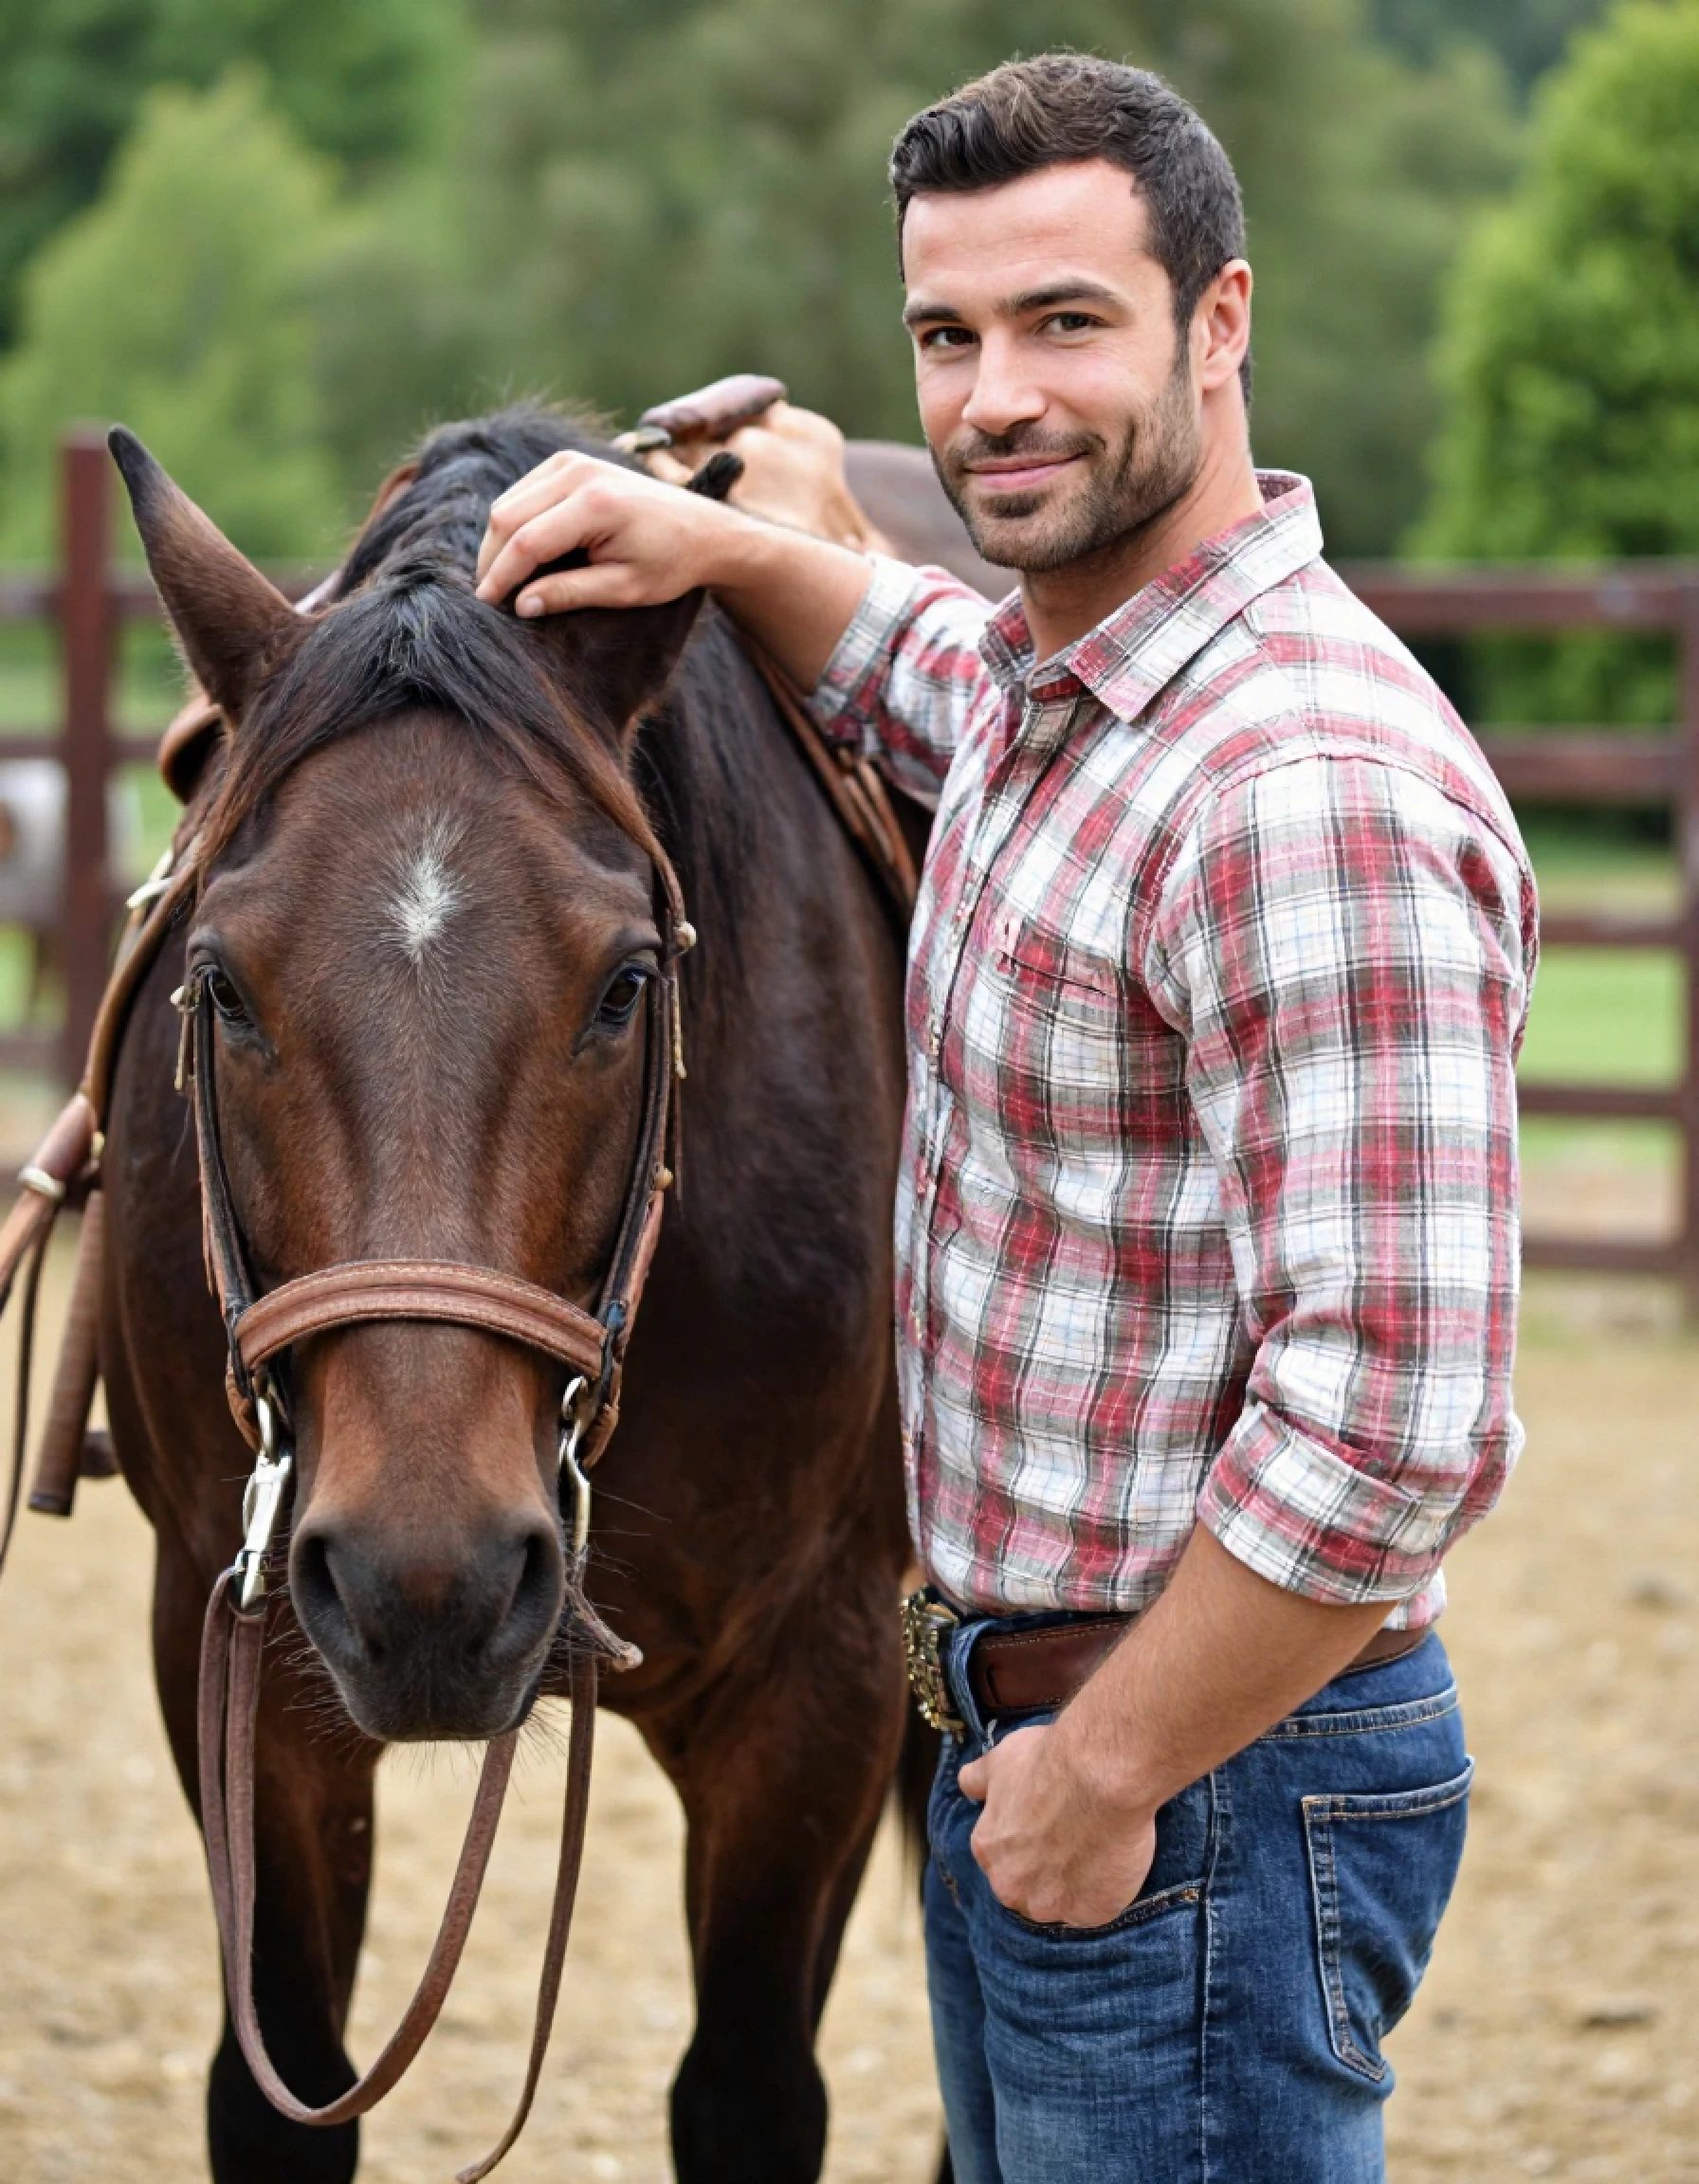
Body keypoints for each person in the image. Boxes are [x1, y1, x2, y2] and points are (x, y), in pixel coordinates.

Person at [475, 52, 1537, 2184]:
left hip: (1188, 1761)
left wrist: (1109, 1767)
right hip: (1052, 1725)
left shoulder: (1297, 792)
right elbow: (919, 665)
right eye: (946, 339)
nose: (990, 403)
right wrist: (703, 536)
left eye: (1066, 323)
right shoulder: (1080, 695)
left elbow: (1396, 1420)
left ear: (1217, 325)